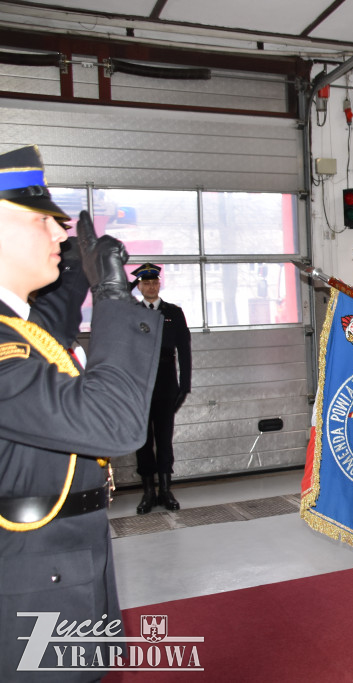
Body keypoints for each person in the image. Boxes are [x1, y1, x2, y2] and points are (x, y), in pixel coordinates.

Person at [0, 144, 162, 679]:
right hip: (27, 580)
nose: (58, 233)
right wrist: (113, 295)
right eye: (39, 222)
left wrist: (76, 273)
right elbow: (113, 423)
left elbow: (48, 323)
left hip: (63, 562)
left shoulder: (18, 325)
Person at [132, 262, 192, 514]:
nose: (150, 286)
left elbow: (184, 350)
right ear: (139, 286)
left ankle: (165, 489)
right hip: (139, 383)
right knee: (143, 440)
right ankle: (148, 492)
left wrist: (185, 385)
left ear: (159, 284)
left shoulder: (173, 312)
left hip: (166, 382)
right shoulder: (131, 313)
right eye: (146, 283)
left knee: (164, 439)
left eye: (154, 282)